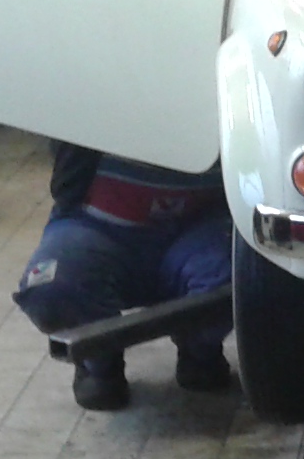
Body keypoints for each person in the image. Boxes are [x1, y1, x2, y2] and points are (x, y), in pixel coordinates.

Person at [14, 142, 234, 409]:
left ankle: (199, 350)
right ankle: (99, 364)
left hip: (201, 224)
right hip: (98, 225)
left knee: (244, 276)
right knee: (49, 287)